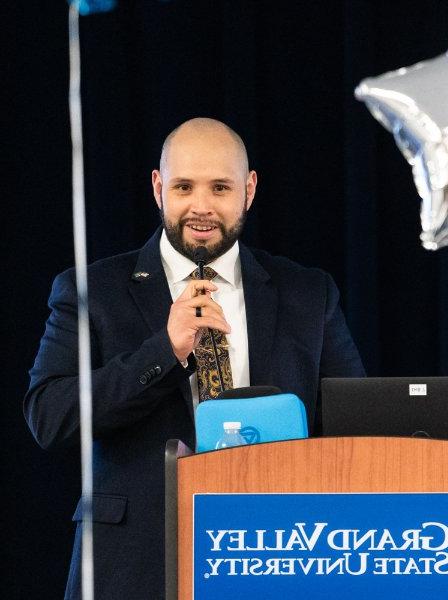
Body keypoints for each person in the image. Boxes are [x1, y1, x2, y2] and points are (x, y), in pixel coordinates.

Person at [24, 118, 365, 599]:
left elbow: (355, 425)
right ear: (158, 188)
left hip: (278, 553)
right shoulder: (90, 291)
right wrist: (165, 350)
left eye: (220, 188)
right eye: (184, 186)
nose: (201, 207)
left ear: (248, 190)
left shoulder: (308, 292)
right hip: (135, 563)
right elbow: (50, 416)